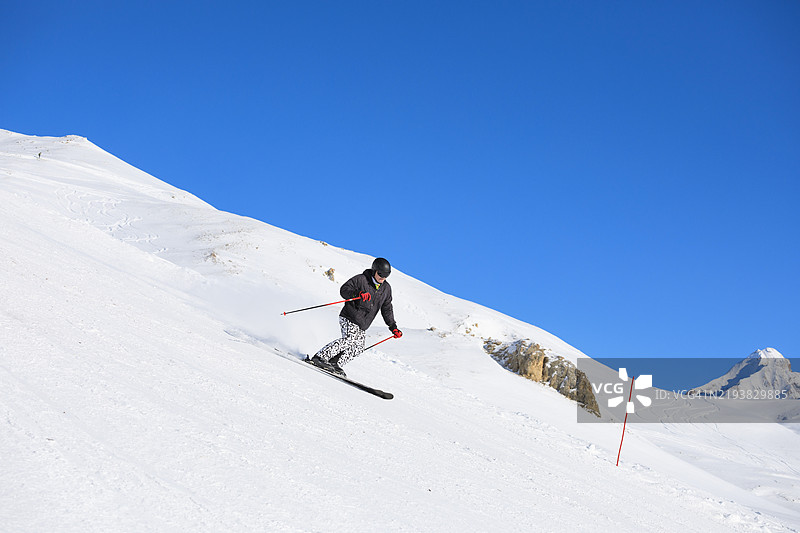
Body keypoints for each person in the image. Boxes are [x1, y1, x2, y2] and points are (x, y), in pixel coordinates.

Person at [309, 257, 402, 377]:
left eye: (386, 275)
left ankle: (335, 363)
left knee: (358, 348)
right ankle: (320, 357)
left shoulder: (386, 289)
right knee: (349, 339)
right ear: (374, 270)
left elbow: (387, 308)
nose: (382, 278)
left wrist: (393, 326)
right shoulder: (361, 279)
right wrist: (357, 294)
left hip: (363, 324)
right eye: (380, 274)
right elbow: (344, 290)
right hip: (350, 316)